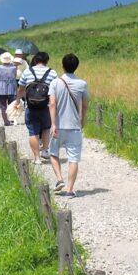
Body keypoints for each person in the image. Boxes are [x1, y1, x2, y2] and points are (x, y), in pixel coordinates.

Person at [49, 53, 89, 197]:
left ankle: (59, 178)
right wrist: (82, 120)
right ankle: (70, 190)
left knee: (53, 153)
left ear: (62, 66)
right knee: (73, 159)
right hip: (74, 127)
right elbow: (84, 106)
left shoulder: (55, 83)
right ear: (76, 66)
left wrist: (53, 124)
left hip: (58, 126)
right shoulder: (82, 84)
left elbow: (52, 104)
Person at [16, 52, 56, 165]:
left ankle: (37, 158)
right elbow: (55, 91)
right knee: (46, 128)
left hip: (31, 106)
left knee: (33, 132)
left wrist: (18, 100)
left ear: (35, 60)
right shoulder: (52, 73)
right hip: (46, 106)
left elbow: (21, 88)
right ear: (46, 60)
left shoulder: (28, 71)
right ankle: (45, 150)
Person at [0, 52, 18, 126]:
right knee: (11, 104)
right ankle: (11, 119)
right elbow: (15, 76)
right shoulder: (14, 67)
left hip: (1, 87)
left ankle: (6, 121)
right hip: (11, 86)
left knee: (3, 105)